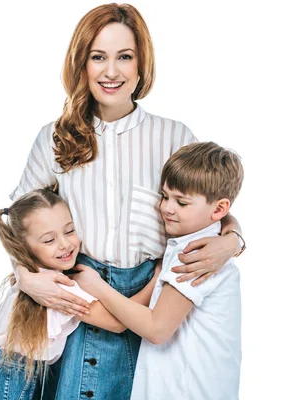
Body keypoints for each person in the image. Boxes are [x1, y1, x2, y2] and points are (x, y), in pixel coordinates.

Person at [10, 3, 246, 399]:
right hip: (88, 287)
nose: (111, 72)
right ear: (81, 64)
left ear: (141, 65)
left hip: (157, 291)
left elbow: (208, 203)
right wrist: (24, 274)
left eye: (125, 57)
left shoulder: (172, 134)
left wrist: (234, 240)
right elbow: (16, 220)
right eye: (98, 57)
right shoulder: (55, 137)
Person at [72, 141, 244, 399]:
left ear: (219, 209)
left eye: (181, 203)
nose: (167, 208)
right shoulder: (197, 242)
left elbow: (157, 329)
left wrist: (97, 286)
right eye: (164, 196)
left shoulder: (196, 255)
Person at [0, 188, 160, 400]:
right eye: (49, 240)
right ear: (24, 247)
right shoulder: (56, 286)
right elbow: (117, 323)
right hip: (7, 382)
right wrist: (156, 280)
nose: (65, 244)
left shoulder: (35, 276)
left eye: (69, 231)